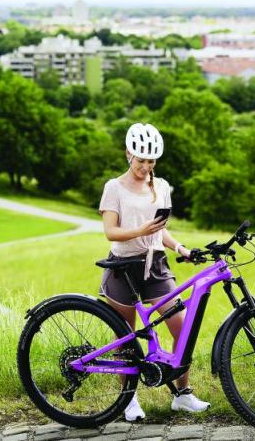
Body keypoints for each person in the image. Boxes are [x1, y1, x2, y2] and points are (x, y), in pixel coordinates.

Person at [98, 122, 210, 422]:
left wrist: (181, 248)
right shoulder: (114, 188)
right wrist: (142, 229)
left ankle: (182, 395)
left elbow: (162, 232)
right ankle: (129, 399)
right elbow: (110, 232)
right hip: (123, 268)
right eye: (140, 159)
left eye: (151, 161)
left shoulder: (160, 186)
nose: (145, 166)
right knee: (126, 340)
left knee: (181, 329)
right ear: (128, 154)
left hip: (156, 265)